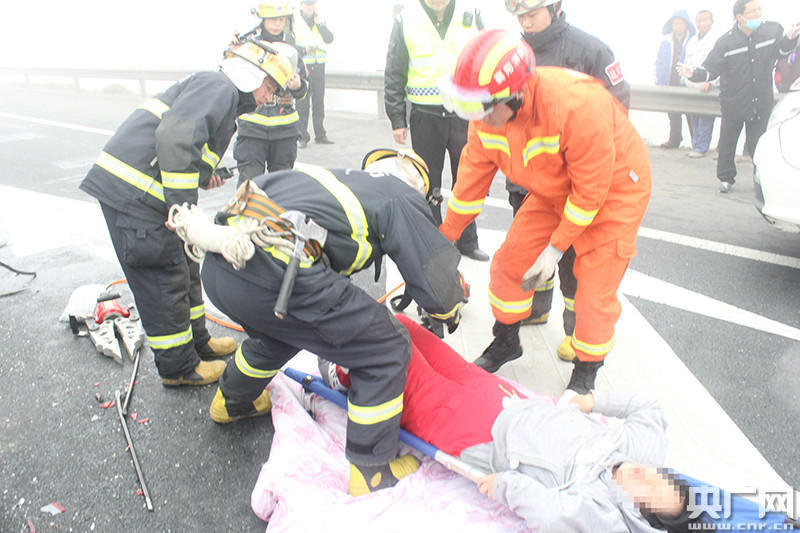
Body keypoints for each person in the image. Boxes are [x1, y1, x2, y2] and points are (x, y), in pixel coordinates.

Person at [193, 149, 466, 497]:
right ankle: (371, 471)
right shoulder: (399, 195)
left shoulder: (322, 179)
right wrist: (449, 309)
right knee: (386, 345)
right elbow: (436, 284)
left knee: (281, 335)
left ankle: (231, 402)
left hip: (220, 271)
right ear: (417, 185)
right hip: (278, 274)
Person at [319, 314, 713, 533]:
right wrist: (592, 401)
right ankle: (342, 341)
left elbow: (548, 512)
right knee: (402, 325)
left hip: (476, 434)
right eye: (660, 479)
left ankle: (342, 374)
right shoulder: (643, 451)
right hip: (499, 396)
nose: (645, 475)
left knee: (388, 352)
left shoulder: (603, 514)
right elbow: (648, 408)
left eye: (646, 490)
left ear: (637, 510)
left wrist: (505, 486)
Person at [438, 30, 651, 394]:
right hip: (554, 189)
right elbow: (468, 186)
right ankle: (507, 341)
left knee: (592, 292)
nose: (476, 117)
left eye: (482, 106)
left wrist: (555, 249)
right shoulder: (487, 115)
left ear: (516, 93)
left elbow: (590, 193)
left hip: (615, 191)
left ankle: (585, 373)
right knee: (509, 263)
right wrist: (440, 244)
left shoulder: (577, 105)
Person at [79, 42, 294, 387]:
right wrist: (181, 207)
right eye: (269, 87)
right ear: (251, 73)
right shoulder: (219, 87)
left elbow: (183, 147)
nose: (269, 98)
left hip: (147, 193)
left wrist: (201, 177)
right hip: (136, 198)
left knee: (183, 266)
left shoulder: (221, 96)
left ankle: (198, 344)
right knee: (162, 275)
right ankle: (179, 368)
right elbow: (176, 138)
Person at [504, 0, 632, 363]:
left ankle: (575, 330)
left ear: (556, 7)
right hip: (527, 177)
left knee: (572, 255)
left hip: (573, 182)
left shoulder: (590, 50)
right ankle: (538, 306)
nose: (526, 23)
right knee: (529, 248)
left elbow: (617, 106)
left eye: (532, 14)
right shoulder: (513, 54)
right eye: (521, 17)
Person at [385, 0, 490, 262]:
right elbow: (394, 71)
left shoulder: (470, 15)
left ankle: (468, 241)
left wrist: (487, 110)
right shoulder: (406, 20)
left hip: (463, 114)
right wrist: (398, 118)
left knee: (467, 180)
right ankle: (433, 243)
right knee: (429, 183)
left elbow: (488, 59)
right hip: (425, 115)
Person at [679, 0, 800, 193]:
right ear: (739, 17)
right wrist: (693, 73)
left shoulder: (772, 30)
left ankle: (763, 179)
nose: (757, 14)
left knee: (759, 145)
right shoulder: (726, 42)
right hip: (734, 100)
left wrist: (790, 39)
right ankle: (726, 178)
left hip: (760, 100)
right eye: (752, 11)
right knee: (728, 142)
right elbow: (711, 69)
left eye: (758, 9)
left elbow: (780, 52)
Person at [232, 1, 309, 185]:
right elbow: (232, 78)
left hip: (285, 131)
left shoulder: (293, 50)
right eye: (272, 19)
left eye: (280, 19)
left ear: (287, 21)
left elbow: (303, 93)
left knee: (281, 188)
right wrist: (235, 50)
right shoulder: (248, 46)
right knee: (249, 187)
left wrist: (298, 86)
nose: (276, 23)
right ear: (263, 19)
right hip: (252, 130)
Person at [294, 0, 334, 148]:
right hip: (303, 65)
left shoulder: (319, 21)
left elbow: (329, 39)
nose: (310, 7)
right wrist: (304, 50)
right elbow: (289, 45)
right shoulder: (295, 22)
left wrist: (320, 24)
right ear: (301, 5)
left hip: (319, 65)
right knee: (303, 102)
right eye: (307, 4)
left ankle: (320, 134)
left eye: (312, 4)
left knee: (319, 100)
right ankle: (302, 136)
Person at [655, 10, 695, 149]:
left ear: (686, 25)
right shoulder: (666, 42)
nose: (678, 26)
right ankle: (674, 139)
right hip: (670, 82)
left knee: (691, 114)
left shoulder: (693, 41)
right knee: (673, 113)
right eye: (675, 23)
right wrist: (659, 81)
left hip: (687, 84)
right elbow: (659, 62)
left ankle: (696, 142)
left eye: (680, 23)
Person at [682, 10, 719, 158]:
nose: (701, 23)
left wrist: (710, 82)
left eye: (705, 20)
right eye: (699, 20)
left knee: (705, 117)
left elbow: (718, 64)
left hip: (706, 85)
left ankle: (701, 148)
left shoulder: (716, 40)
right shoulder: (692, 40)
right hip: (691, 85)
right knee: (694, 118)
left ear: (711, 21)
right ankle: (695, 145)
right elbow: (686, 61)